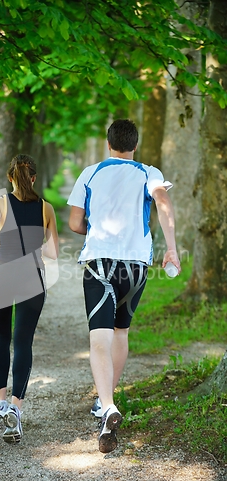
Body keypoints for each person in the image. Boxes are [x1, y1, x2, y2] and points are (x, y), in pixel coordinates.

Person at [67, 119, 181, 454]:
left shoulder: (90, 173)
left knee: (98, 336)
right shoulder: (149, 172)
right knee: (120, 333)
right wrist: (171, 248)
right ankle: (107, 403)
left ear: (108, 144)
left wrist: (97, 226)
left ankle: (107, 404)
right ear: (135, 145)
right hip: (136, 265)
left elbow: (75, 222)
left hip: (100, 262)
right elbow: (162, 203)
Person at [0, 154, 59, 444]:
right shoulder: (46, 208)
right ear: (33, 178)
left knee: (1, 333)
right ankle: (16, 408)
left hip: (1, 274)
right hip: (32, 276)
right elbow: (53, 253)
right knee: (22, 341)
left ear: (10, 178)